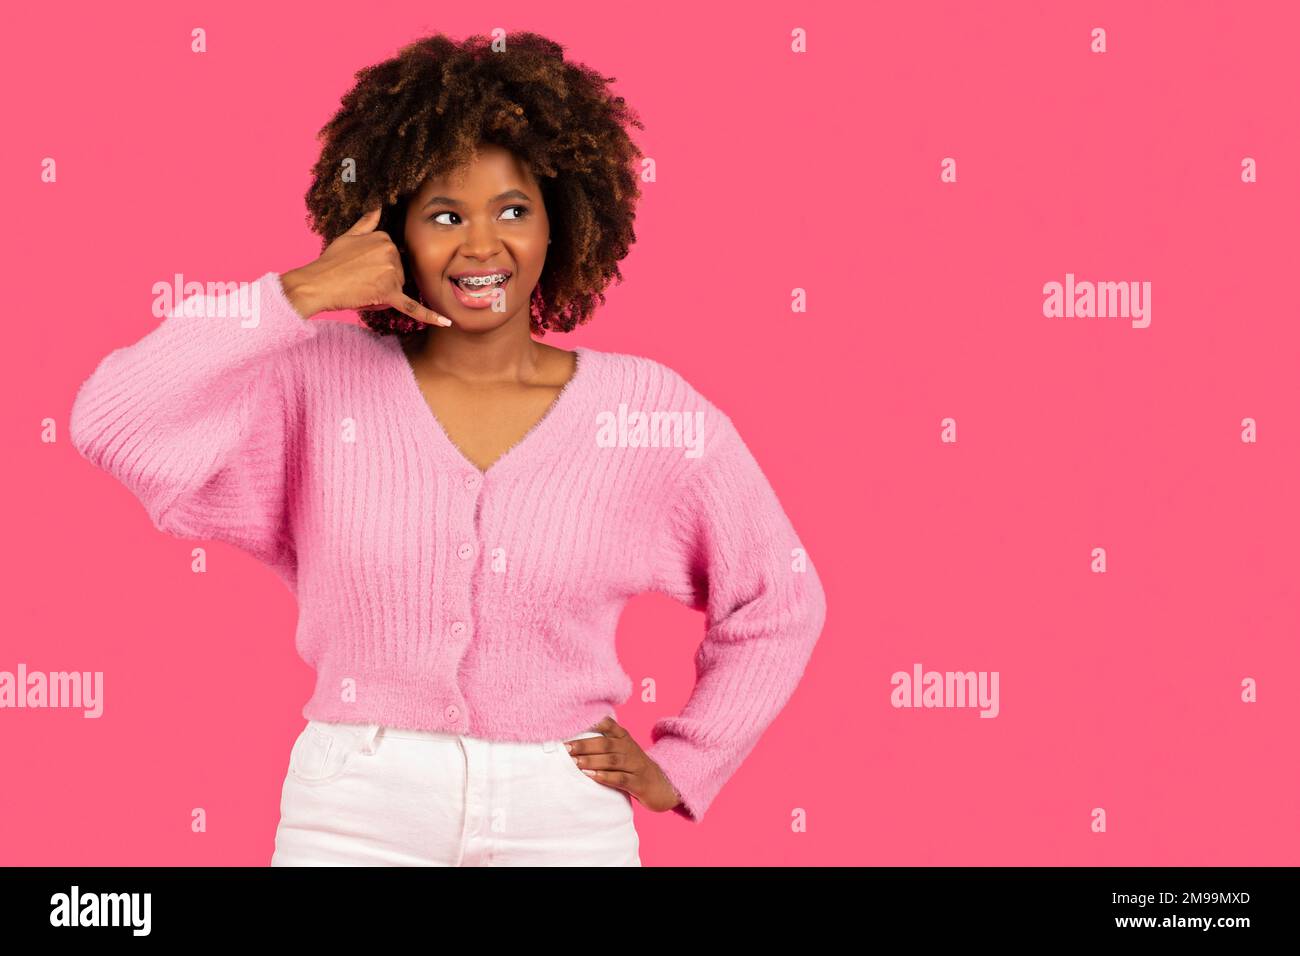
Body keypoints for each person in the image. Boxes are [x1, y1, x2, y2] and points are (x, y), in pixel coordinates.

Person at [68, 31, 826, 866]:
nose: (479, 246)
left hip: (563, 811)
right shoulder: (317, 387)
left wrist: (685, 762)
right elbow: (114, 419)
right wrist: (308, 288)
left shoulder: (645, 411)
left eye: (512, 210)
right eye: (443, 214)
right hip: (354, 808)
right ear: (392, 234)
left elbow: (779, 598)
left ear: (560, 221)